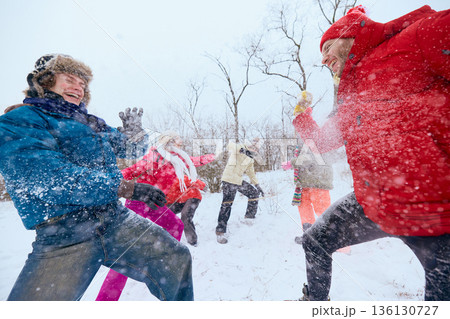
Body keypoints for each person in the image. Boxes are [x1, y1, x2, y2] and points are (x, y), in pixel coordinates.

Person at [0, 54, 194, 301]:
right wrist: (125, 188)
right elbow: (50, 180)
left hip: (114, 220)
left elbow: (130, 150)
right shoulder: (19, 121)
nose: (78, 88)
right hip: (65, 234)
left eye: (83, 84)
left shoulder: (88, 122)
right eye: (70, 79)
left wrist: (136, 134)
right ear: (45, 81)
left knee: (175, 258)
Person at [292, 6, 450, 301]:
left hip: (434, 214)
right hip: (373, 204)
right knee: (315, 241)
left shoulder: (414, 39)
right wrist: (303, 118)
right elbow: (323, 140)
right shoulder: (349, 96)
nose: (324, 59)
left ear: (348, 34)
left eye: (327, 47)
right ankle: (314, 304)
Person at [119, 130, 215, 246]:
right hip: (139, 201)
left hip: (155, 203)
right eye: (178, 139)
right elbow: (132, 170)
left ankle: (169, 255)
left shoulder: (177, 160)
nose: (181, 142)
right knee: (130, 236)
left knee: (176, 226)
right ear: (169, 142)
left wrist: (214, 156)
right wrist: (114, 181)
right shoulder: (153, 157)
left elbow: (194, 161)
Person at [215, 139, 264, 244]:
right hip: (228, 180)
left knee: (254, 193)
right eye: (253, 146)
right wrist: (242, 150)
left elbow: (251, 172)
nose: (254, 148)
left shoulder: (250, 158)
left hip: (238, 180)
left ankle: (249, 217)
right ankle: (220, 231)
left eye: (256, 148)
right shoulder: (239, 148)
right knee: (227, 205)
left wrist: (257, 185)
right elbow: (230, 145)